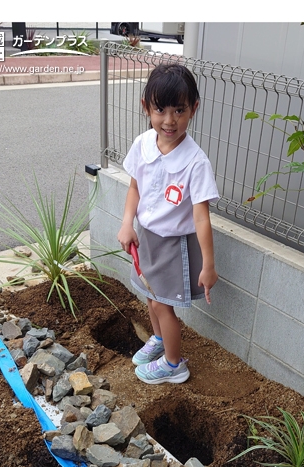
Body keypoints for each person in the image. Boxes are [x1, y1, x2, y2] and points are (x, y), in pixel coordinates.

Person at [117, 63, 219, 385]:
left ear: (194, 109)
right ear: (146, 106)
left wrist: (208, 265)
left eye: (179, 110)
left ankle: (174, 364)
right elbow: (135, 187)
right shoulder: (143, 144)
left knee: (163, 305)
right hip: (146, 236)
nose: (169, 120)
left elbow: (201, 216)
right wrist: (126, 223)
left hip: (173, 246)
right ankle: (160, 341)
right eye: (160, 109)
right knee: (150, 296)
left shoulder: (195, 162)